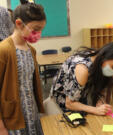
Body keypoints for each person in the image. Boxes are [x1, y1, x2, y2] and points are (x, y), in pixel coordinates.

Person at [0, 2, 46, 135]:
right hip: (12, 116)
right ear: (19, 24)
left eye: (41, 29)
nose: (39, 34)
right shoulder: (4, 50)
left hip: (31, 111)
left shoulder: (31, 50)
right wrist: (1, 128)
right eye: (36, 29)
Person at [51, 42, 113, 115]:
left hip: (79, 97)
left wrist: (100, 100)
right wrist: (94, 110)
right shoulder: (82, 70)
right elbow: (69, 103)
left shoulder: (98, 58)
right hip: (62, 104)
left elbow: (100, 86)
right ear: (104, 57)